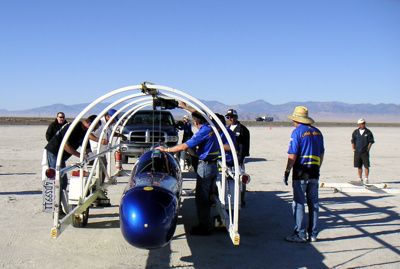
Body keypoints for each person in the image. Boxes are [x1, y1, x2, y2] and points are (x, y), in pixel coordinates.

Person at [156, 111, 219, 236]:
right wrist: (184, 107)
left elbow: (184, 146)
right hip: (213, 165)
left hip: (205, 167)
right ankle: (207, 222)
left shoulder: (203, 131)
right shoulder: (212, 127)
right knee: (209, 196)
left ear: (195, 122)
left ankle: (205, 227)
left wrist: (166, 149)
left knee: (202, 198)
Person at [283, 106, 325, 243]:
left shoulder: (297, 132)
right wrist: (317, 167)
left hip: (301, 173)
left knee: (299, 203)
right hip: (314, 173)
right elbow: (321, 153)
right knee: (314, 203)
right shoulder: (318, 132)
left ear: (296, 119)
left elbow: (293, 155)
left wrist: (287, 170)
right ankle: (312, 234)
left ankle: (300, 233)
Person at [44, 115, 100, 214]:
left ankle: (63, 206)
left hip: (61, 157)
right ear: (90, 124)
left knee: (64, 182)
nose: (94, 131)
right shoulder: (74, 127)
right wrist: (80, 155)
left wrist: (91, 158)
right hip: (53, 153)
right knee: (56, 181)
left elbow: (87, 149)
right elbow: (66, 145)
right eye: (94, 128)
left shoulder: (84, 133)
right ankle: (56, 209)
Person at [225, 109, 250, 205]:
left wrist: (240, 159)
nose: (230, 119)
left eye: (232, 117)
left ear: (236, 117)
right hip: (228, 158)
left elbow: (243, 146)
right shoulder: (227, 129)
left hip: (238, 158)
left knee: (241, 177)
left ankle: (241, 198)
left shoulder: (242, 130)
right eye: (228, 117)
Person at [351, 119, 374, 184]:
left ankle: (366, 178)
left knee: (366, 165)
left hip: (364, 152)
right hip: (357, 151)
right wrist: (353, 149)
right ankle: (359, 178)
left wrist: (368, 149)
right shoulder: (355, 132)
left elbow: (371, 141)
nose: (363, 125)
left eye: (363, 123)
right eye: (361, 124)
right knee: (359, 166)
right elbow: (353, 141)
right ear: (359, 124)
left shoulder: (368, 132)